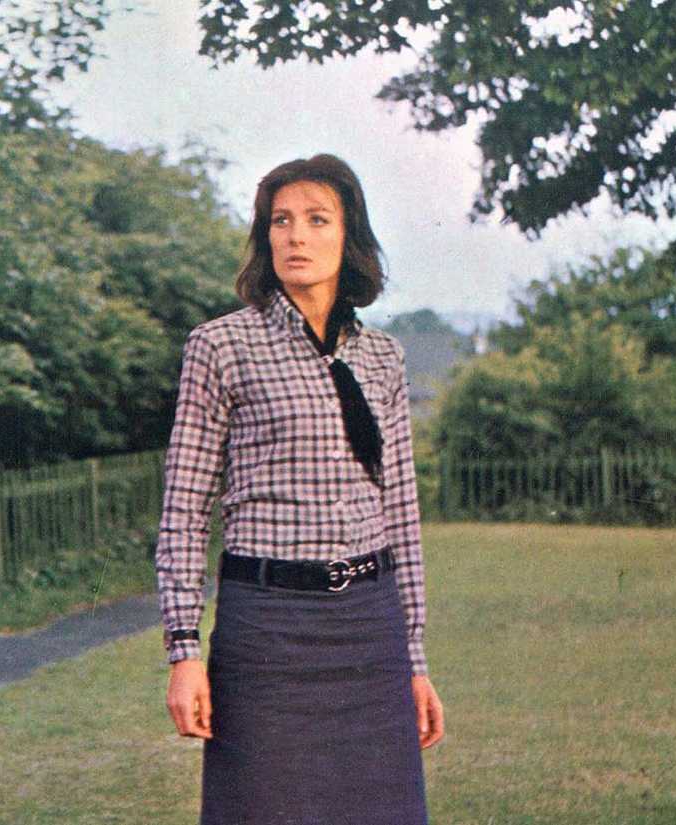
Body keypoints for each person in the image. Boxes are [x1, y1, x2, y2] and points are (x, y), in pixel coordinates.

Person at [155, 154, 445, 824]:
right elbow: (183, 508)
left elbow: (400, 513)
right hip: (269, 633)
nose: (296, 236)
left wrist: (415, 660)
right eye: (280, 221)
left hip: (369, 633)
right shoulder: (221, 347)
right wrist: (183, 651)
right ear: (265, 239)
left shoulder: (383, 358)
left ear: (349, 238)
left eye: (318, 219)